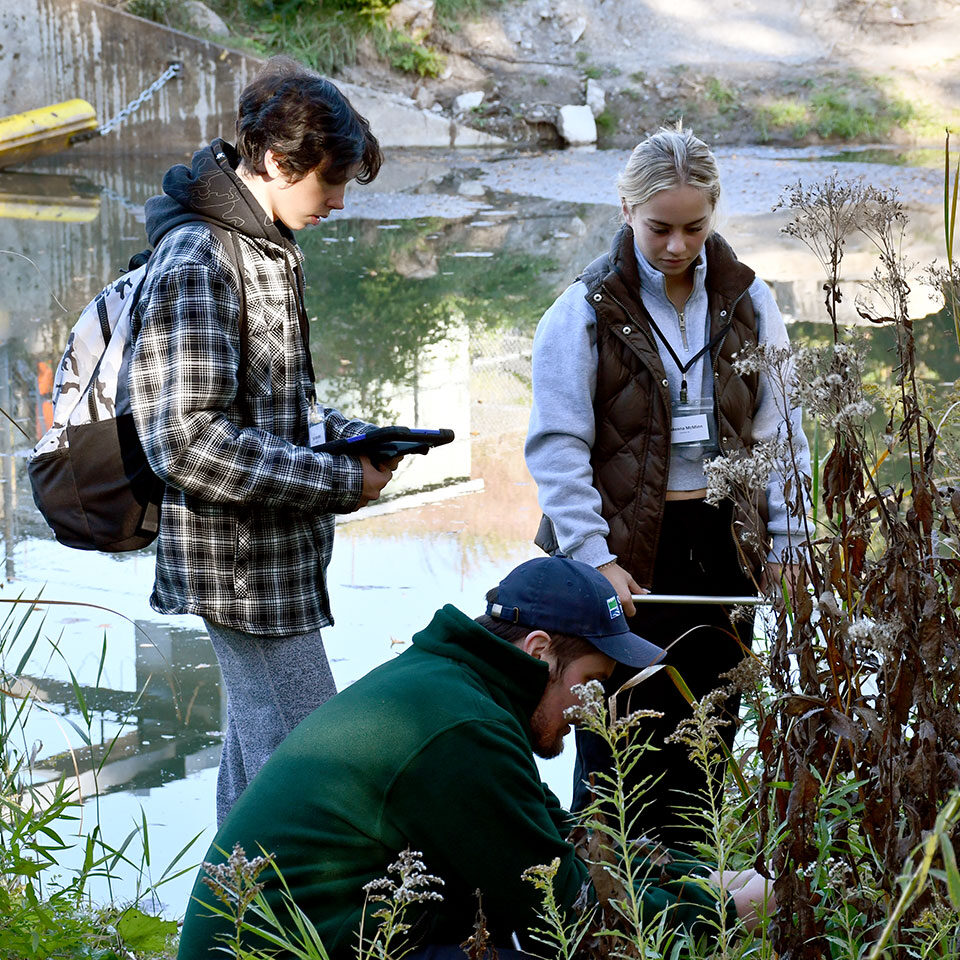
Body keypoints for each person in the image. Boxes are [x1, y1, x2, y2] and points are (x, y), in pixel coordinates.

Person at [176, 557, 773, 960]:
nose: (594, 709)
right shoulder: (462, 727)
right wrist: (719, 911)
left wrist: (685, 874)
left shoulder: (458, 687)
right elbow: (563, 911)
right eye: (590, 682)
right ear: (539, 651)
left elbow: (554, 839)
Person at [129, 57, 399, 825]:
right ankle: (288, 939)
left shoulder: (268, 247)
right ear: (278, 162)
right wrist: (341, 483)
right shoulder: (200, 260)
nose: (341, 202)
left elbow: (281, 404)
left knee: (258, 782)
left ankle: (226, 937)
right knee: (315, 780)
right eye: (330, 182)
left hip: (274, 558)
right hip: (240, 568)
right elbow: (184, 441)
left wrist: (356, 439)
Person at [524, 125, 810, 847]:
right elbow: (559, 447)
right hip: (620, 549)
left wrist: (786, 543)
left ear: (714, 213)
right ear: (625, 208)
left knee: (709, 731)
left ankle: (697, 903)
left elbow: (781, 433)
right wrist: (593, 560)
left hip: (721, 546)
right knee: (615, 741)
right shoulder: (582, 309)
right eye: (659, 228)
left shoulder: (753, 302)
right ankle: (610, 908)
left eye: (694, 226)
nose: (677, 245)